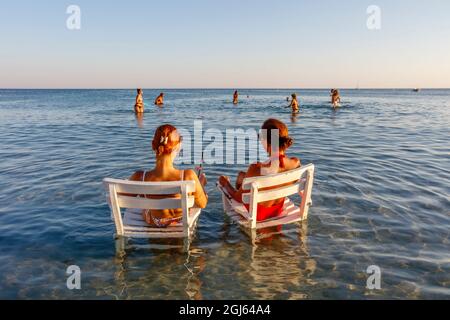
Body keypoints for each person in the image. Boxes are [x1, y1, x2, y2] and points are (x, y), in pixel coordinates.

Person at [218, 118, 301, 222]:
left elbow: (238, 198)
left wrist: (225, 183)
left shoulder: (256, 168)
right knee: (241, 176)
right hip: (277, 210)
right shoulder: (295, 163)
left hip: (258, 214)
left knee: (241, 181)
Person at [128, 124, 208, 227]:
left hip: (156, 221)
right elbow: (203, 204)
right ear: (178, 147)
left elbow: (124, 199)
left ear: (153, 145)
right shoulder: (188, 176)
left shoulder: (140, 177)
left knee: (146, 208)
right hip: (181, 220)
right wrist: (200, 184)